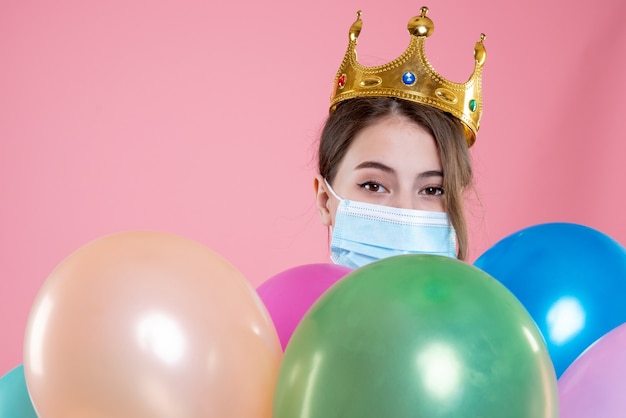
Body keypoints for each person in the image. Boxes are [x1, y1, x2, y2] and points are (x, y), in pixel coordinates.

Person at [313, 6, 486, 269]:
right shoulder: (276, 310)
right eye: (373, 185)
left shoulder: (488, 310)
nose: (404, 213)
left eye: (432, 190)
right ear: (325, 200)